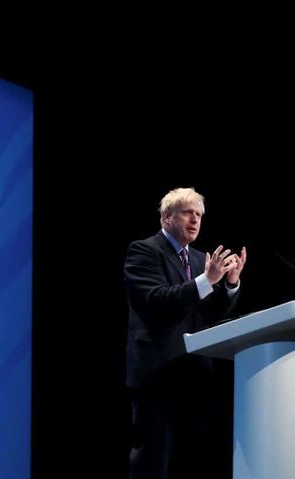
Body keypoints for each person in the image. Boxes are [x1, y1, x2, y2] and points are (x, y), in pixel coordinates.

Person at [124, 187, 247, 479]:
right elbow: (157, 300)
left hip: (196, 373)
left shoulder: (200, 258)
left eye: (199, 215)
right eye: (187, 213)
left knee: (190, 461)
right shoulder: (143, 250)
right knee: (154, 461)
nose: (195, 220)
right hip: (158, 373)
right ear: (167, 216)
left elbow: (208, 312)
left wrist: (230, 284)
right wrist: (207, 280)